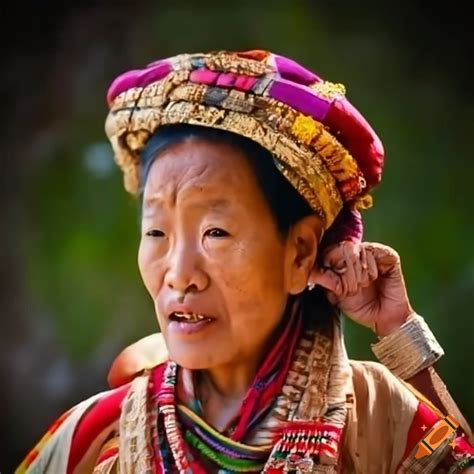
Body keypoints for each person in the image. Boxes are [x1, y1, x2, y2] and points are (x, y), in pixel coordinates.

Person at [16, 50, 473, 473]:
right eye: (156, 232)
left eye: (216, 233)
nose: (179, 274)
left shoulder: (378, 415)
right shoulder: (95, 437)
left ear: (299, 253)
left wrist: (399, 333)